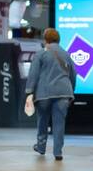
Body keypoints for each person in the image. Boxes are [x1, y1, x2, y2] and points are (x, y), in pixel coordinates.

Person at [25, 28, 77, 161]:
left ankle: (41, 146)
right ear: (58, 39)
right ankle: (58, 152)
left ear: (45, 39)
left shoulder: (41, 54)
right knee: (59, 122)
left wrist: (29, 91)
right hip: (63, 93)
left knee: (43, 119)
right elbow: (73, 75)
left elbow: (33, 74)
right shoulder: (66, 54)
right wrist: (71, 91)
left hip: (44, 93)